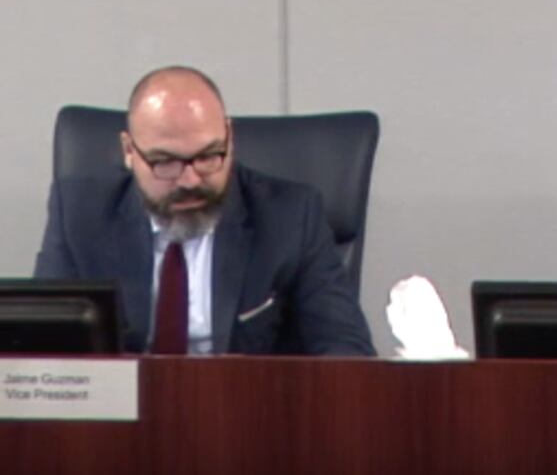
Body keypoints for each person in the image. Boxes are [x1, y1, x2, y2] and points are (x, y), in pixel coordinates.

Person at [34, 66, 375, 356]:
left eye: (209, 156)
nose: (191, 179)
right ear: (129, 151)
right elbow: (42, 351)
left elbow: (345, 351)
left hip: (245, 416)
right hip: (123, 421)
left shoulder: (290, 216)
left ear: (229, 137)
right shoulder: (79, 213)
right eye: (165, 162)